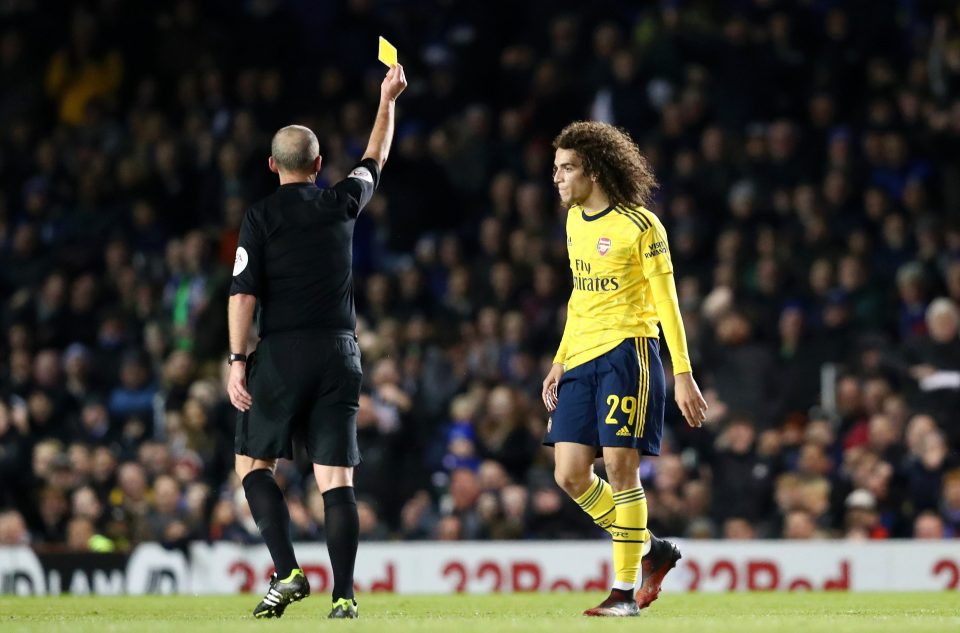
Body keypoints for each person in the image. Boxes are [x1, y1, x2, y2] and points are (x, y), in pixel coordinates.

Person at [226, 64, 407, 620]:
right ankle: (345, 596)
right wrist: (387, 99)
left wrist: (237, 360)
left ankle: (287, 572)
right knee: (336, 481)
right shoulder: (339, 203)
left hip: (282, 353)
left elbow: (242, 295)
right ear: (320, 166)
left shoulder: (259, 217)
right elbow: (375, 158)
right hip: (339, 352)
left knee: (253, 468)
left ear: (272, 165)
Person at [541, 121, 706, 617]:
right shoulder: (573, 222)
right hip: (582, 357)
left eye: (566, 168)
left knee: (619, 467)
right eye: (555, 169)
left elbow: (668, 302)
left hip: (626, 354)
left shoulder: (641, 226)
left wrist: (682, 372)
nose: (558, 179)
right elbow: (579, 294)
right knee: (569, 474)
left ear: (593, 169)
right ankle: (651, 548)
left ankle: (623, 591)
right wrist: (559, 359)